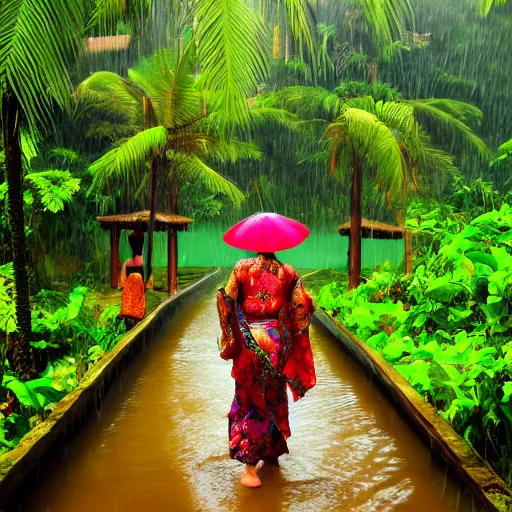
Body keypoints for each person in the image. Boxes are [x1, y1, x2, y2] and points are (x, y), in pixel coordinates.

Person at [217, 251, 316, 488]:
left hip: (250, 346)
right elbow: (301, 309)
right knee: (273, 397)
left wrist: (229, 334)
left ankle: (250, 470)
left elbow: (225, 302)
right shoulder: (288, 272)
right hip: (276, 346)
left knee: (250, 400)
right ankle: (272, 456)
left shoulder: (242, 268)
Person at [118, 231, 150, 330]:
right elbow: (149, 285)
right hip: (139, 309)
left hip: (128, 307)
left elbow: (122, 284)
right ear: (143, 244)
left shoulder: (127, 263)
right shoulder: (145, 264)